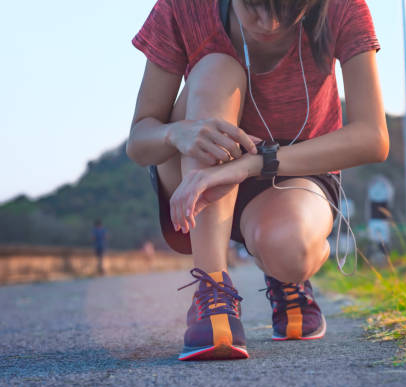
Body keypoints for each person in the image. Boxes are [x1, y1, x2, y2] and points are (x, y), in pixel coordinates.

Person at [127, 0, 388, 360]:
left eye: (287, 10)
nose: (269, 24)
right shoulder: (184, 6)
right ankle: (212, 290)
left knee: (290, 249)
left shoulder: (341, 6)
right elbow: (139, 142)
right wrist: (178, 134)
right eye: (255, 7)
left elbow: (373, 138)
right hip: (196, 167)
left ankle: (288, 275)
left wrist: (252, 165)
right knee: (216, 65)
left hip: (296, 171)